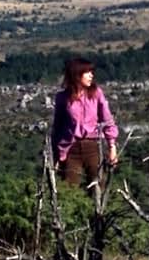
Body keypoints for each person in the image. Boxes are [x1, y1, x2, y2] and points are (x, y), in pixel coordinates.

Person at [51, 57, 119, 186]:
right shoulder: (62, 98)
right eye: (87, 72)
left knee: (98, 186)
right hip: (70, 149)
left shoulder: (96, 93)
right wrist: (57, 154)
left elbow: (107, 120)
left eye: (92, 72)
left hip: (92, 146)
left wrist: (112, 147)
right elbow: (58, 127)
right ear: (76, 74)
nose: (91, 75)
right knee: (69, 189)